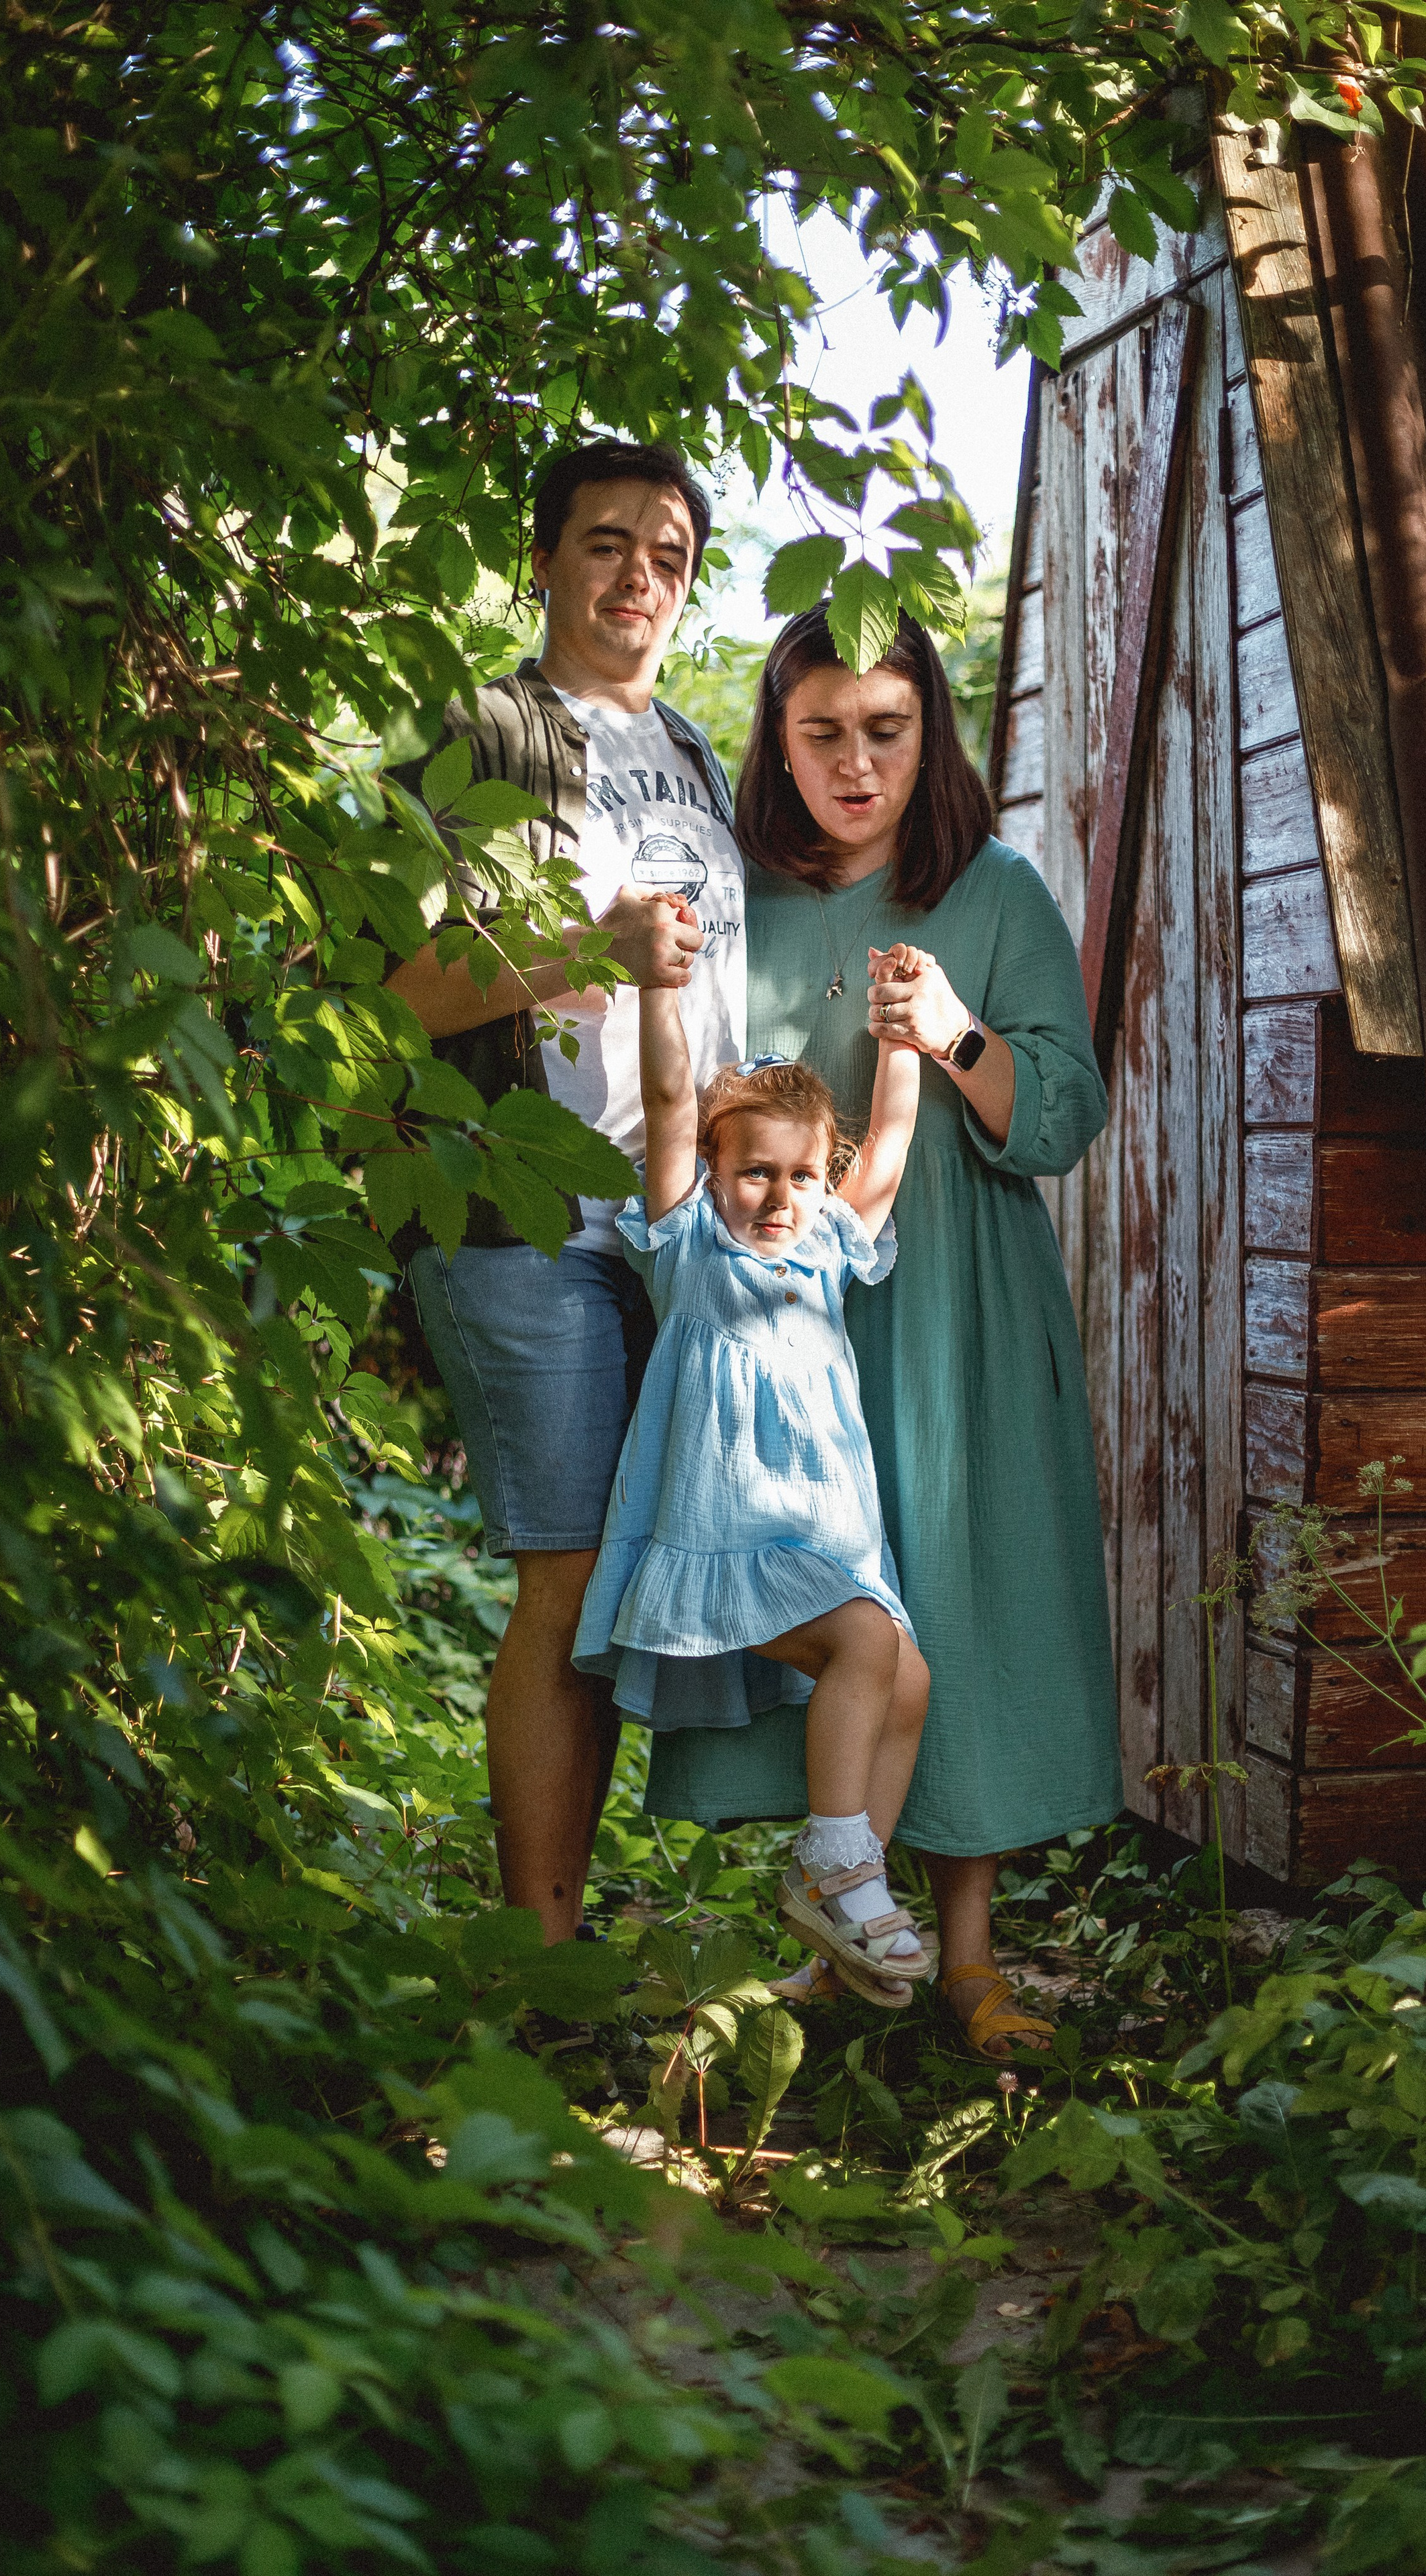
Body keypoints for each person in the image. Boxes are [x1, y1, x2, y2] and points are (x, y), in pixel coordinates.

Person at [644, 605, 1123, 2059]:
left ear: (932, 734)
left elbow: (1061, 1117)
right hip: (783, 1326)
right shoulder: (736, 898)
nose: (856, 764)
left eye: (887, 731)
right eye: (823, 733)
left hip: (955, 1311)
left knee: (954, 1596)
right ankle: (833, 1924)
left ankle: (968, 1957)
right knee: (820, 1599)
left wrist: (957, 1033)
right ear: (778, 743)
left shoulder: (993, 891)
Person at [385, 440, 746, 1945]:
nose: (637, 579)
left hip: (681, 1217)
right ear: (542, 561)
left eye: (668, 556)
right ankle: (539, 1955)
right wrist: (589, 948)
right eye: (606, 544)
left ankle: (579, 1923)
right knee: (572, 1574)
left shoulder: (699, 753)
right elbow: (398, 990)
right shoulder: (478, 732)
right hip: (522, 1208)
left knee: (657, 1569)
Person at [572, 965, 935, 2002]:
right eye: (756, 1174)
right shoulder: (690, 1246)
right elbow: (670, 1101)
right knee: (867, 1644)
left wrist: (901, 1041)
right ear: (713, 1170)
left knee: (908, 1682)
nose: (781, 1197)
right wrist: (657, 988)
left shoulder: (828, 1248)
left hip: (825, 1533)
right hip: (732, 1533)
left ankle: (837, 1935)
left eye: (803, 1175)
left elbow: (890, 1143)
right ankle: (837, 1870)